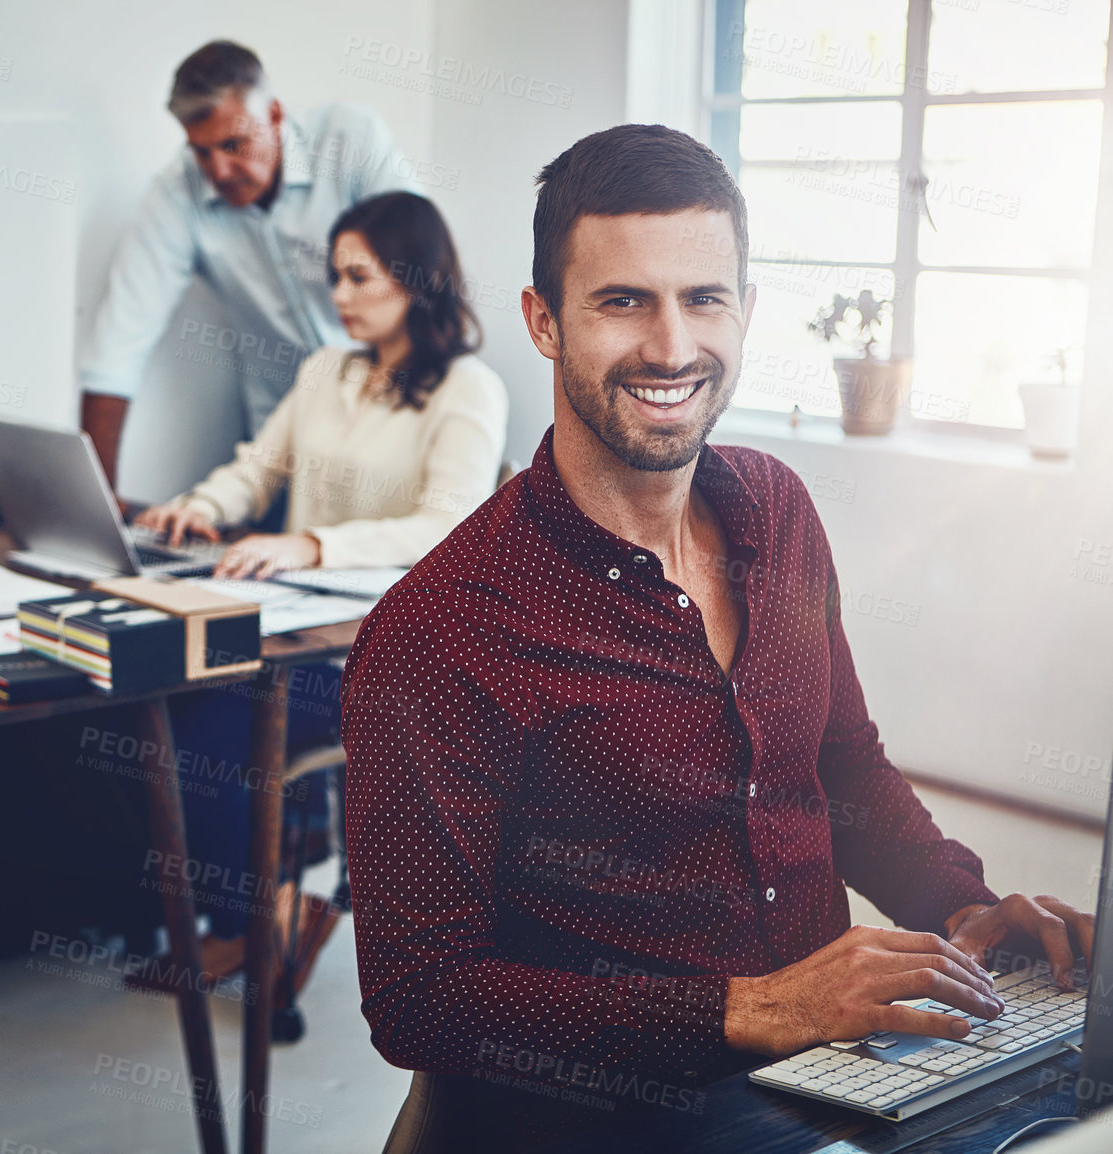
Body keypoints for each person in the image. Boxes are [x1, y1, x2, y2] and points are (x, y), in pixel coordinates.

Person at [340, 126, 1096, 1146]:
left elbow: (841, 769)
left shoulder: (777, 510)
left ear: (745, 310)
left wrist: (970, 910)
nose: (670, 346)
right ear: (543, 321)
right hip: (605, 1114)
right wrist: (757, 1004)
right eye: (622, 301)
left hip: (830, 1076)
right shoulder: (440, 629)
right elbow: (422, 996)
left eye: (704, 297)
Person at [134, 191, 507, 968]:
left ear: (414, 278)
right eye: (335, 277)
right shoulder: (323, 371)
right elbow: (256, 468)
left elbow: (449, 525)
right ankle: (247, 911)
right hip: (287, 629)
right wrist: (197, 507)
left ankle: (246, 930)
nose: (339, 297)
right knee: (160, 697)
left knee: (202, 727)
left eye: (359, 277)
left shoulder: (468, 388)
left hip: (377, 662)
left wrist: (310, 543)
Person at [80, 39, 419, 494]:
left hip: (394, 425)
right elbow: (117, 345)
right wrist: (99, 501)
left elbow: (422, 263)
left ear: (275, 116)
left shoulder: (349, 138)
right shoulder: (177, 193)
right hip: (281, 452)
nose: (218, 170)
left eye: (233, 144)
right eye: (201, 152)